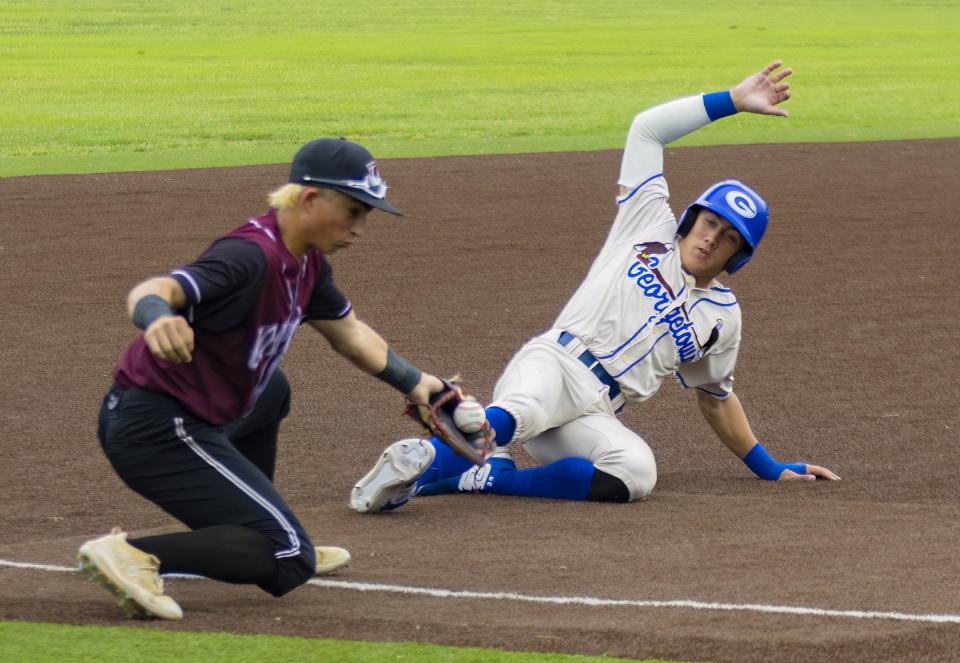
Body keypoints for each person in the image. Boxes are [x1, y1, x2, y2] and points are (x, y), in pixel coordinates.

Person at [350, 60, 840, 515]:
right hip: (554, 365)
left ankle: (486, 477)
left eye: (730, 237)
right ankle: (421, 466)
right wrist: (731, 101)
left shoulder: (722, 317)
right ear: (692, 219)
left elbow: (715, 397)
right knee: (522, 411)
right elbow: (646, 129)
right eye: (710, 222)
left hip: (595, 411)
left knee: (636, 473)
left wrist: (770, 468)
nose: (713, 238)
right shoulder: (646, 224)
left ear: (740, 254)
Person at [78, 138, 449, 620]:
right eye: (354, 211)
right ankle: (134, 555)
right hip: (155, 427)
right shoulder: (249, 255)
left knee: (271, 390)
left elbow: (351, 335)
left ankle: (259, 531)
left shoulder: (309, 262)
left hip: (191, 418)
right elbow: (156, 289)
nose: (360, 228)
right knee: (292, 557)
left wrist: (417, 383)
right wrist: (155, 317)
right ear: (310, 199)